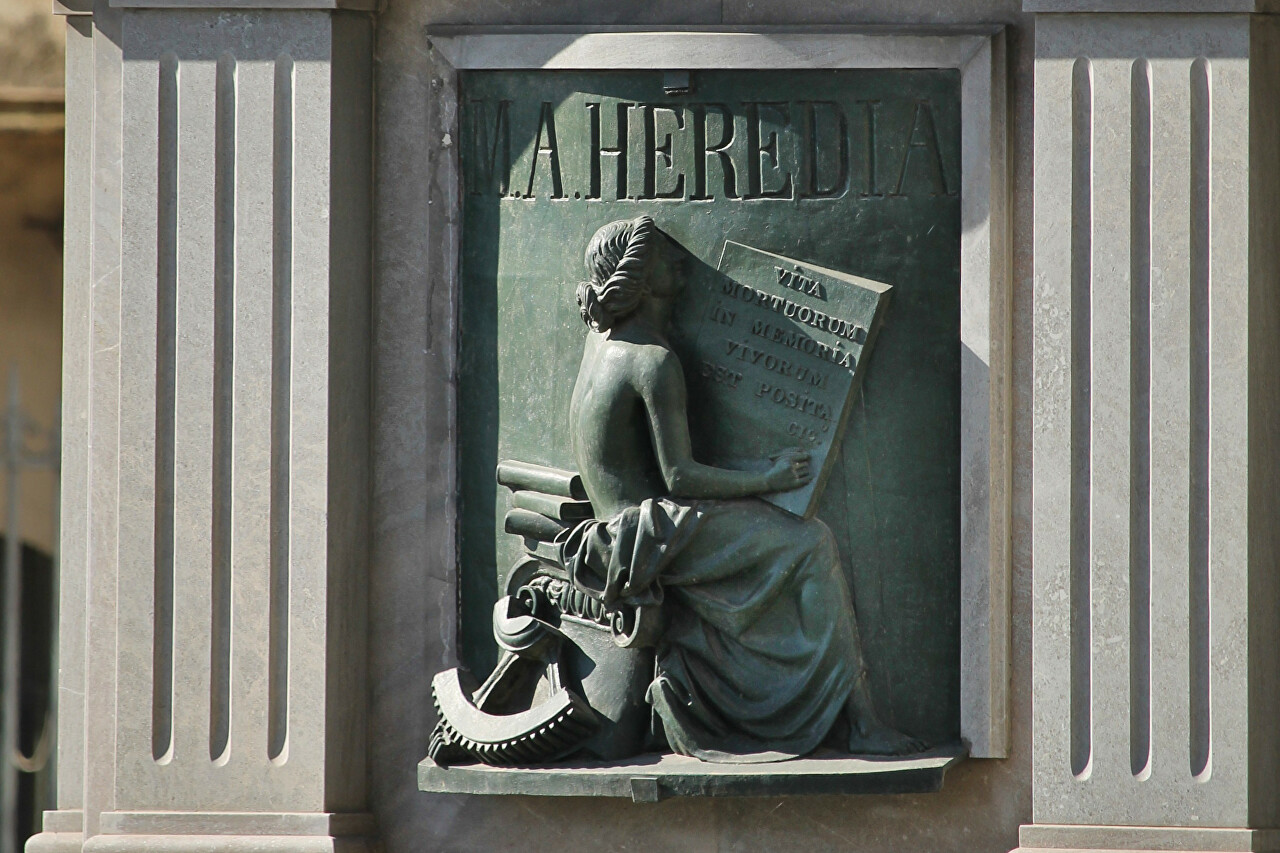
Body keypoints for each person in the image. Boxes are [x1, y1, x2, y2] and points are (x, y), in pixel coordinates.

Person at [562, 215, 924, 762]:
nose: (680, 261)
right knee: (813, 544)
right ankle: (863, 722)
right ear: (640, 274)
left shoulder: (602, 344)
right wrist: (770, 478)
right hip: (652, 536)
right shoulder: (653, 362)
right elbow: (680, 477)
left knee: (790, 548)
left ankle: (708, 694)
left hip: (625, 534)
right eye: (664, 256)